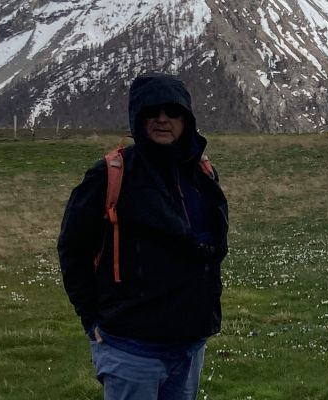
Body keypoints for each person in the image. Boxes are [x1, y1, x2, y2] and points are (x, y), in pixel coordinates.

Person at [57, 73, 229, 400]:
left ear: (187, 119)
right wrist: (92, 320)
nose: (162, 118)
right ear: (138, 117)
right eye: (152, 111)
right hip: (131, 348)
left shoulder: (201, 174)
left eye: (172, 111)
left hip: (190, 345)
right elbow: (73, 249)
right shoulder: (109, 175)